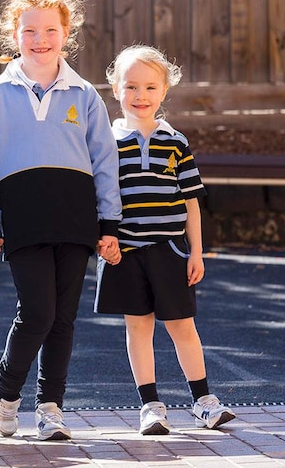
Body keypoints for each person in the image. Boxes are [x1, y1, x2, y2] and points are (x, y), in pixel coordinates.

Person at [0, 0, 123, 441]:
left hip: (76, 221)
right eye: (29, 30)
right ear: (13, 36)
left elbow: (104, 161)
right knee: (37, 311)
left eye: (50, 30)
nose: (40, 39)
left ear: (66, 33)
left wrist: (108, 222)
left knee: (64, 318)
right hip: (24, 219)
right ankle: (6, 390)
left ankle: (51, 407)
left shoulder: (84, 95)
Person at [94, 45, 236, 435]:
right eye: (131, 87)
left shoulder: (175, 141)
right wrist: (103, 239)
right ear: (114, 88)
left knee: (182, 327)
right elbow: (99, 198)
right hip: (125, 253)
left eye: (150, 88)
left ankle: (204, 401)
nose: (141, 96)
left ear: (165, 90)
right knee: (138, 329)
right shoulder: (104, 141)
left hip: (171, 252)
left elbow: (191, 202)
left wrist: (196, 252)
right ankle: (151, 406)